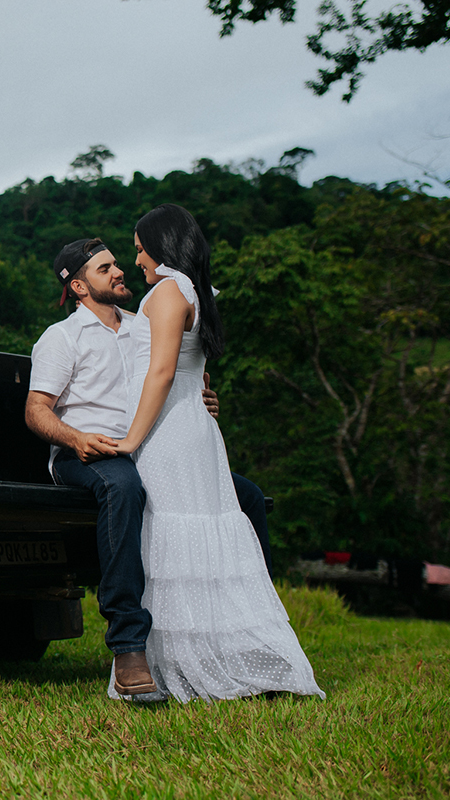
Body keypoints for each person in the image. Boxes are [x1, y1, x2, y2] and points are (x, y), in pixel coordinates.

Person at [24, 236, 273, 700]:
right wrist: (76, 439)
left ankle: (252, 633)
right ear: (78, 286)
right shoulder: (62, 338)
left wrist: (201, 399)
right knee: (125, 489)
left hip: (150, 447)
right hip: (91, 453)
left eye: (117, 263)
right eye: (104, 269)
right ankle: (128, 647)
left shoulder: (145, 323)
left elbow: (175, 375)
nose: (119, 271)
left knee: (249, 497)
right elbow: (36, 410)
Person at [109, 203, 324, 702]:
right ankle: (214, 662)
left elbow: (162, 372)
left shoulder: (169, 290)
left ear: (161, 245)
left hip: (168, 434)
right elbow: (189, 372)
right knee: (199, 541)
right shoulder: (196, 290)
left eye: (139, 249)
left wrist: (132, 440)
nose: (136, 260)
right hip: (190, 428)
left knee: (174, 537)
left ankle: (200, 668)